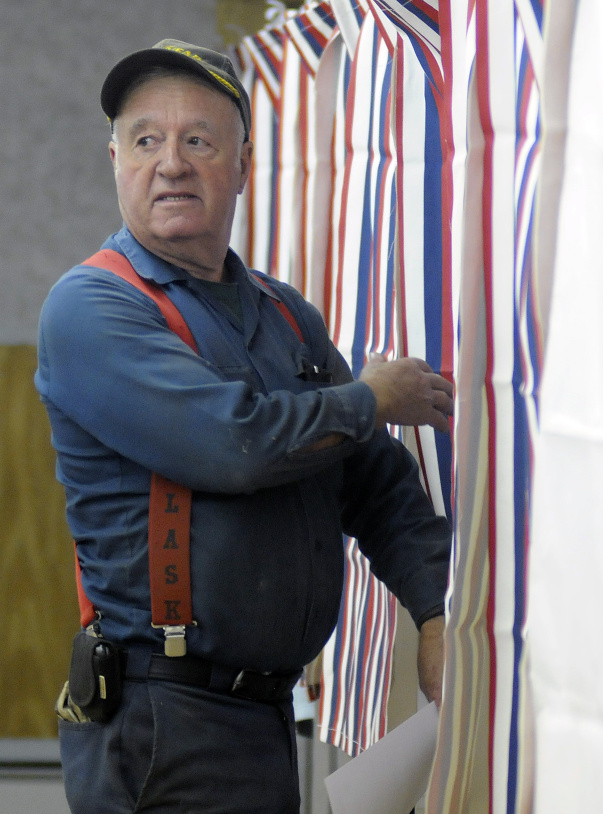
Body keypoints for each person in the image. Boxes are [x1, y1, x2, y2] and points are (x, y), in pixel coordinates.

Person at [36, 39, 453, 814]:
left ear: (243, 164)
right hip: (160, 724)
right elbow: (235, 444)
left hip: (258, 719)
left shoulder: (285, 314)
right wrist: (371, 398)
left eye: (198, 139)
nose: (171, 163)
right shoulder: (91, 308)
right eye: (146, 140)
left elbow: (380, 487)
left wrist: (435, 612)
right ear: (116, 159)